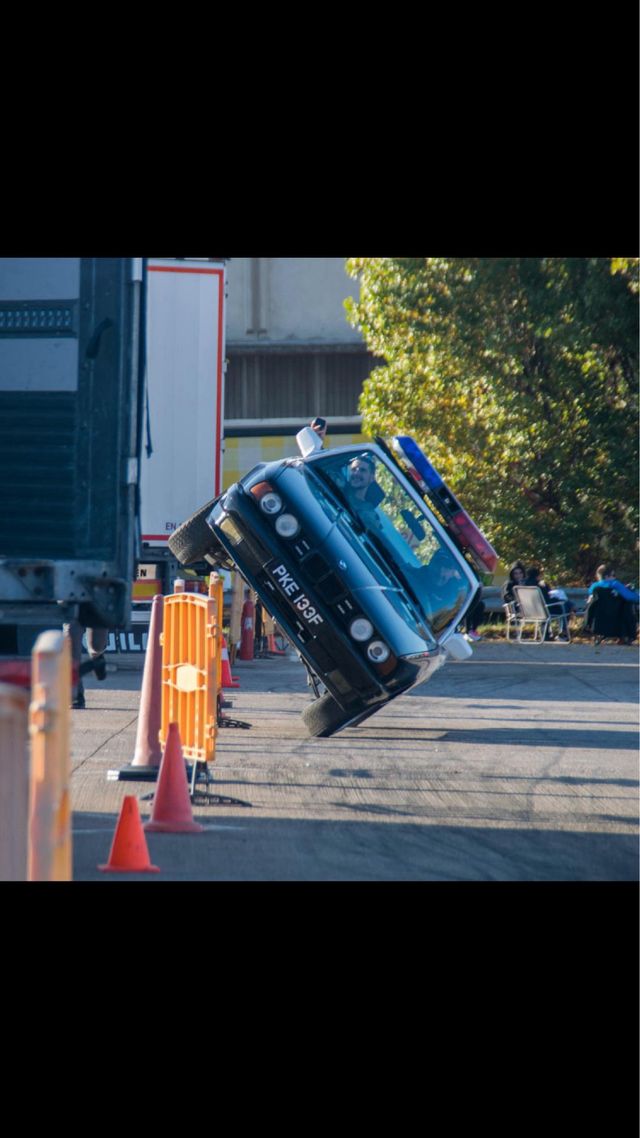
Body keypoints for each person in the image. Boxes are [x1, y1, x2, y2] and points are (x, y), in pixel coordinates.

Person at [586, 565, 639, 643]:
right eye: (613, 575)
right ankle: (625, 636)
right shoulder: (615, 584)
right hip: (616, 615)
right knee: (629, 607)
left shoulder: (594, 587)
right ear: (607, 576)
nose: (615, 577)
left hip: (599, 616)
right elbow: (631, 597)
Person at [63, 620, 108, 709]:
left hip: (96, 607)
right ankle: (76, 696)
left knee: (97, 646)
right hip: (74, 608)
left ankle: (98, 659)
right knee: (71, 649)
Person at [524, 565, 573, 639]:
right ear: (537, 576)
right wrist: (559, 600)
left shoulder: (522, 586)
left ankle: (547, 634)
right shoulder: (538, 586)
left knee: (566, 604)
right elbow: (546, 600)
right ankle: (563, 633)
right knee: (565, 606)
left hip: (529, 611)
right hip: (543, 610)